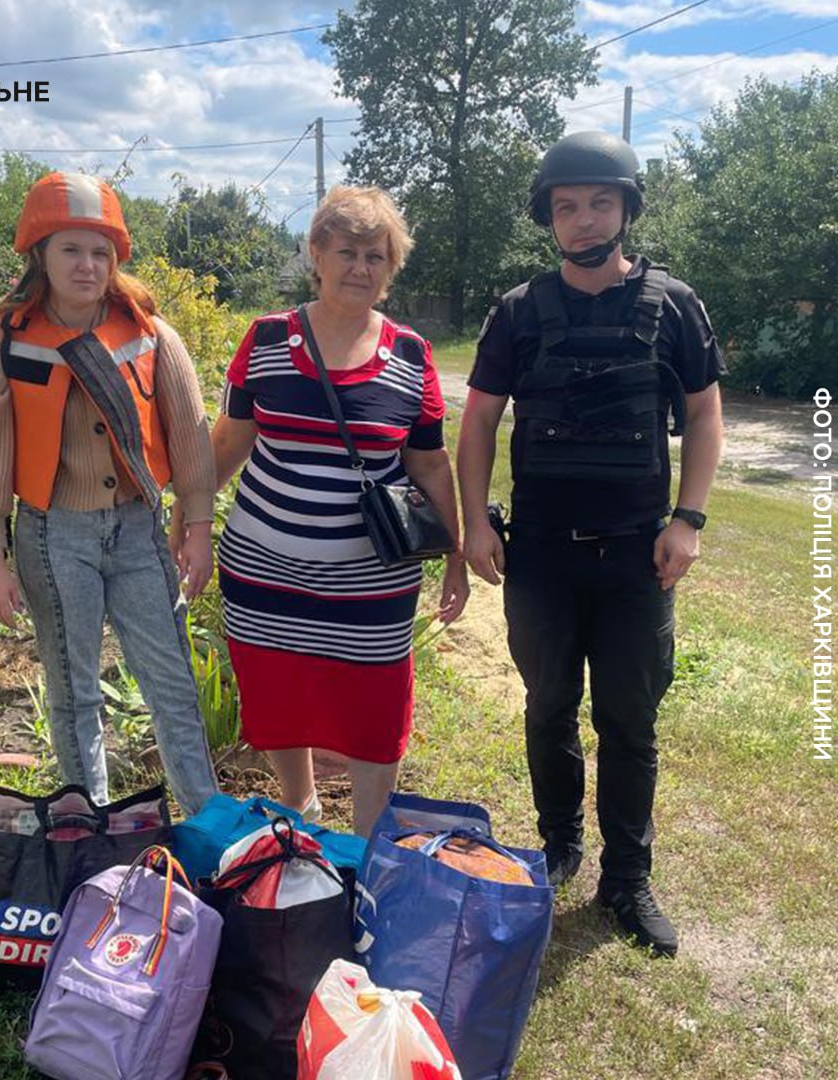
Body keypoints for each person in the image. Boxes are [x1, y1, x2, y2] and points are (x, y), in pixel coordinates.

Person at [457, 132, 724, 957]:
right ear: (548, 219)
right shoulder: (517, 310)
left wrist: (689, 520)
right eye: (565, 206)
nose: (582, 219)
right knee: (548, 708)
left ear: (627, 209)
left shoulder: (673, 304)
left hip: (637, 558)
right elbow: (478, 424)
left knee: (630, 720)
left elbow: (707, 413)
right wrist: (473, 521)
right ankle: (560, 845)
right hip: (539, 552)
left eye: (599, 202)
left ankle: (627, 879)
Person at [198, 185, 469, 837]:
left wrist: (457, 554)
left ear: (390, 268)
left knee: (376, 715)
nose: (360, 267)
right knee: (278, 702)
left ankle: (371, 842)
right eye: (346, 251)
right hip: (263, 577)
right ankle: (301, 805)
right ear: (316, 253)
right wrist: (191, 524)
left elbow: (429, 464)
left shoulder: (411, 357)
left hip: (371, 586)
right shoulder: (264, 340)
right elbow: (229, 442)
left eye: (376, 256)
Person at [0, 171, 219, 815]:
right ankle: (89, 825)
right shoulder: (6, 345)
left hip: (136, 529)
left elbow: (189, 433)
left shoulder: (150, 334)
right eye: (71, 248)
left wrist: (199, 527)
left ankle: (208, 821)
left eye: (101, 251)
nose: (88, 264)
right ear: (39, 254)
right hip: (54, 536)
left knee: (172, 682)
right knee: (74, 690)